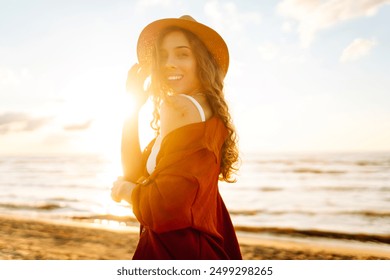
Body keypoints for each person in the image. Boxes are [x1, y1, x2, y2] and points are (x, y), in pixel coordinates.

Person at [111, 15, 242, 260]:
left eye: (182, 54)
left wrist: (124, 190)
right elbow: (138, 173)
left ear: (201, 61)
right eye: (164, 55)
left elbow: (163, 207)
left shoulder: (179, 106)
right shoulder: (211, 113)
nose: (169, 63)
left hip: (174, 252)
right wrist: (134, 108)